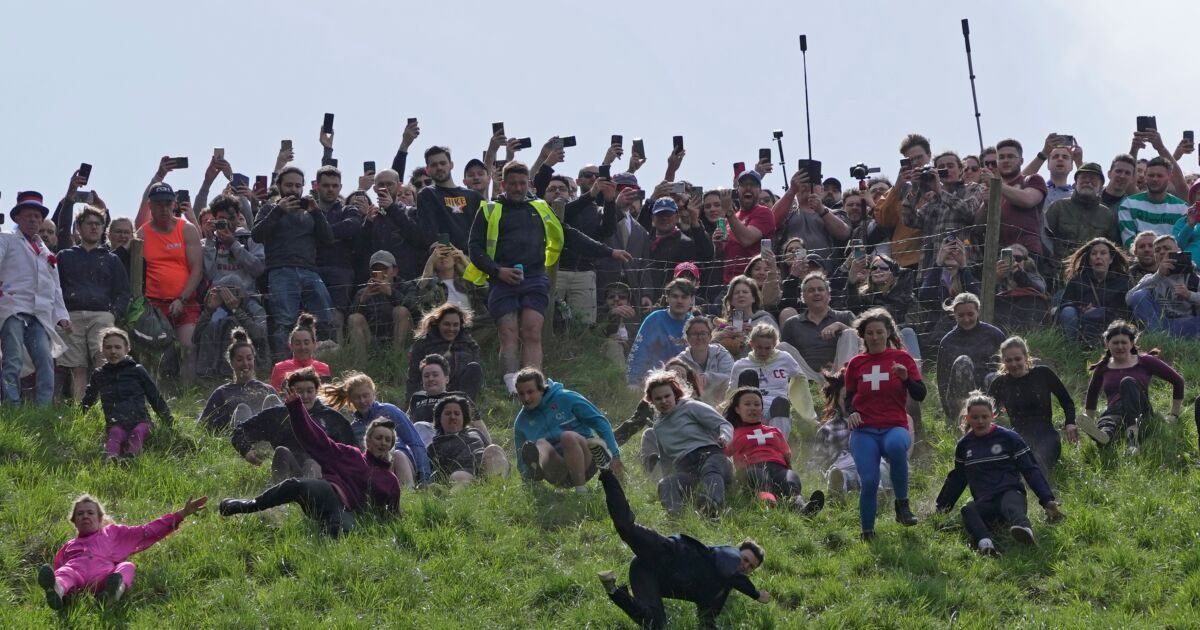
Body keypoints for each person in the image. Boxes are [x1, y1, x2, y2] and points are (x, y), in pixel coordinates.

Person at [465, 161, 629, 395]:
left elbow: (569, 234)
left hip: (534, 278)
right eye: (513, 183)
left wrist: (608, 251)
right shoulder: (489, 209)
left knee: (532, 331)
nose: (518, 188)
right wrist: (497, 271)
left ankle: (534, 384)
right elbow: (475, 247)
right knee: (508, 332)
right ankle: (511, 385)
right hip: (502, 279)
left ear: (528, 184)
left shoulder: (540, 207)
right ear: (503, 184)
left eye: (522, 183)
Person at [595, 466, 770, 629]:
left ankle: (614, 590)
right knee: (626, 528)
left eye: (750, 566)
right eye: (745, 559)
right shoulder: (728, 555)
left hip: (647, 574)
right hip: (664, 552)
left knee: (655, 624)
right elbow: (731, 572)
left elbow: (707, 618)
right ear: (737, 551)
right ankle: (607, 471)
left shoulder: (719, 591)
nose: (745, 566)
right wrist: (755, 593)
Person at [220, 393, 401, 537]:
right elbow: (316, 440)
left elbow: (391, 516)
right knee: (294, 485)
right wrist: (297, 410)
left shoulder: (390, 481)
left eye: (387, 440)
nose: (382, 442)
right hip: (328, 493)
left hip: (349, 513)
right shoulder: (350, 455)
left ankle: (320, 542)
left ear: (391, 445)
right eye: (378, 437)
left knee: (339, 530)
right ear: (368, 440)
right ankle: (249, 505)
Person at [934, 392, 1064, 555]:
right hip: (986, 502)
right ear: (967, 418)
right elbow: (957, 479)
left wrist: (1047, 500)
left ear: (992, 416)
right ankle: (985, 545)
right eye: (975, 417)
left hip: (1010, 494)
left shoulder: (1009, 438)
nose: (980, 421)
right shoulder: (964, 445)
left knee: (1010, 504)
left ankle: (1025, 533)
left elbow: (1030, 469)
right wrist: (941, 508)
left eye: (984, 416)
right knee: (968, 510)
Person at [38, 495, 207, 610]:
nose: (85, 516)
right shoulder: (69, 546)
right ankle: (58, 592)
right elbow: (58, 568)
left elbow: (147, 530)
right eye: (80, 514)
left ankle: (114, 592)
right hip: (78, 579)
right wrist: (60, 584)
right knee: (65, 572)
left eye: (90, 513)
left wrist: (181, 514)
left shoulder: (112, 533)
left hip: (104, 578)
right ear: (74, 521)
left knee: (127, 566)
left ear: (100, 518)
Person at [843, 308, 925, 540]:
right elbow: (849, 398)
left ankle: (902, 505)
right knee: (869, 481)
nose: (875, 337)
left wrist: (906, 378)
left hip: (893, 425)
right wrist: (851, 412)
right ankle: (867, 531)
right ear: (863, 336)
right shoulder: (856, 364)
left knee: (897, 446)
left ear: (888, 332)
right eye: (870, 333)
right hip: (864, 430)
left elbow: (920, 394)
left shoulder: (902, 359)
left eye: (880, 332)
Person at [251, 166, 336, 361]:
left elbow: (328, 239)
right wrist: (278, 211)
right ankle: (284, 365)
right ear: (279, 186)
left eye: (298, 185)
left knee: (325, 316)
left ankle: (327, 361)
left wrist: (316, 213)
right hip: (281, 271)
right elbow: (256, 235)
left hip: (309, 270)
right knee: (285, 321)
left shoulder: (310, 210)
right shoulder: (269, 208)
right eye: (289, 185)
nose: (293, 189)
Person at [0, 191, 72, 404]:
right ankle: (11, 404)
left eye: (37, 216)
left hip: (39, 313)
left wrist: (62, 315)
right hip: (13, 307)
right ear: (17, 218)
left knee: (45, 360)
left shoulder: (46, 251)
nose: (33, 220)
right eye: (29, 215)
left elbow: (55, 288)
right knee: (12, 359)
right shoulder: (7, 239)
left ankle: (44, 409)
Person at [56, 206, 130, 401]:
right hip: (71, 316)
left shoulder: (112, 259)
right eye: (89, 223)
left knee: (103, 360)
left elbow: (123, 292)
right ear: (79, 227)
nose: (94, 227)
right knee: (76, 366)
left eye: (98, 224)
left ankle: (105, 404)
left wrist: (114, 314)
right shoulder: (64, 256)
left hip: (102, 315)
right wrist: (60, 315)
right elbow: (55, 288)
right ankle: (82, 410)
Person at [232, 367, 356, 482]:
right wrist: (246, 451)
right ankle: (279, 499)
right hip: (289, 472)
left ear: (316, 391)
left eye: (310, 391)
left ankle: (309, 498)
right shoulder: (278, 415)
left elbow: (352, 453)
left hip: (322, 477)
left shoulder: (332, 418)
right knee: (281, 451)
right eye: (299, 391)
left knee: (311, 463)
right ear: (290, 391)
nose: (305, 396)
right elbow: (240, 431)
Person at [1077, 321, 1184, 453]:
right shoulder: (1102, 367)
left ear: (1131, 343)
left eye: (1124, 342)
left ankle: (1132, 440)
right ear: (1107, 343)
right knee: (1110, 416)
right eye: (1115, 343)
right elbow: (1092, 395)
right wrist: (1089, 420)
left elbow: (1178, 381)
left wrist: (1174, 415)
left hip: (1142, 412)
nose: (1120, 346)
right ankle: (1103, 435)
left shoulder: (1145, 361)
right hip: (1115, 412)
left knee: (1127, 383)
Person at [642, 370, 735, 517]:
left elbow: (724, 425)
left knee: (710, 470)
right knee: (666, 484)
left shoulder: (691, 407)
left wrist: (724, 437)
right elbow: (666, 459)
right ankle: (677, 518)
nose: (664, 401)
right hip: (686, 468)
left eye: (667, 396)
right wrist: (666, 478)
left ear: (675, 394)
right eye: (658, 398)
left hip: (712, 457)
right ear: (651, 401)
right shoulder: (658, 427)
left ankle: (713, 506)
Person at [513, 368, 622, 491]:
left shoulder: (566, 398)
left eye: (530, 392)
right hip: (557, 470)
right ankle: (542, 475)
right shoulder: (521, 422)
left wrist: (615, 455)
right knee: (540, 444)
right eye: (521, 394)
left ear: (541, 389)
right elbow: (521, 459)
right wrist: (527, 483)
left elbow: (600, 422)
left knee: (567, 436)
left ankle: (581, 492)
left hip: (585, 461)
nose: (526, 398)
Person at [138, 183, 204, 382]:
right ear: (150, 205)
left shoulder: (187, 229)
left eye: (168, 204)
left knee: (189, 347)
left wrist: (181, 299)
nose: (164, 209)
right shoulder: (142, 234)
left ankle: (187, 394)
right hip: (154, 304)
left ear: (174, 204)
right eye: (158, 204)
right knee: (157, 353)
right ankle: (159, 394)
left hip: (186, 301)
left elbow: (197, 270)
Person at [722, 386, 824, 513]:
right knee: (760, 479)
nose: (752, 407)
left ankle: (803, 508)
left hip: (778, 468)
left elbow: (786, 454)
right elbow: (723, 455)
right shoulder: (733, 433)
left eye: (756, 404)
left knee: (790, 480)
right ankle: (770, 505)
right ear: (737, 409)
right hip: (751, 469)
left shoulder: (774, 431)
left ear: (762, 408)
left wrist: (789, 471)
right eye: (747, 404)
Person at [321, 371, 430, 488]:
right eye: (357, 397)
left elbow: (415, 442)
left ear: (373, 394)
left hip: (402, 467)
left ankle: (410, 494)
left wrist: (424, 477)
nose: (362, 401)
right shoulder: (354, 428)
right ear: (350, 400)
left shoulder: (390, 411)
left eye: (366, 395)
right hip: (374, 471)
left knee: (397, 455)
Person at [81, 328, 173, 463]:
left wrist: (168, 420)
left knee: (137, 432)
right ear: (102, 350)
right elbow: (89, 398)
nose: (113, 351)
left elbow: (155, 396)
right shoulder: (99, 374)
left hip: (142, 422)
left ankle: (131, 458)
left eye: (118, 347)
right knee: (115, 434)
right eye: (108, 347)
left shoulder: (137, 371)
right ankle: (111, 460)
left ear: (127, 349)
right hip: (116, 423)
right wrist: (78, 415)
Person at [987, 337, 1077, 472]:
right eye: (1008, 360)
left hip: (1046, 434)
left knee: (1038, 461)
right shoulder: (1000, 383)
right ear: (1003, 361)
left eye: (1017, 359)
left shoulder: (1043, 374)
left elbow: (1066, 401)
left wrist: (1070, 423)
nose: (1014, 364)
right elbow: (986, 413)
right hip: (1018, 435)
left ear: (1026, 357)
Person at [728, 323, 815, 439]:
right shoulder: (740, 365)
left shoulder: (785, 358)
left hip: (777, 410)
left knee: (781, 402)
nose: (763, 352)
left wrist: (805, 410)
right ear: (751, 344)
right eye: (759, 347)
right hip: (751, 409)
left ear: (774, 345)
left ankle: (778, 447)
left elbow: (800, 378)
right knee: (748, 375)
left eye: (768, 348)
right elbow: (732, 393)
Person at [901, 150, 985, 269]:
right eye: (941, 167)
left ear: (961, 170)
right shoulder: (934, 199)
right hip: (935, 268)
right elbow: (909, 220)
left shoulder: (973, 188)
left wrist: (940, 191)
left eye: (951, 166)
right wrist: (914, 190)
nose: (946, 170)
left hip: (965, 265)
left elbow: (969, 211)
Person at [311, 165, 363, 340]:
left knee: (336, 317)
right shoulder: (308, 211)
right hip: (312, 268)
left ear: (340, 187)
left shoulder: (348, 210)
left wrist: (320, 234)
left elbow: (352, 226)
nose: (330, 189)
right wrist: (333, 236)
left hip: (341, 270)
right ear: (317, 186)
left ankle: (338, 357)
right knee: (312, 318)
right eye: (326, 185)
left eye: (335, 185)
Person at [936, 293, 1006, 421]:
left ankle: (996, 416)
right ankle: (965, 417)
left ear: (978, 312)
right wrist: (948, 411)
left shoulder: (994, 335)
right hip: (960, 398)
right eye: (961, 315)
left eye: (970, 314)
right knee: (963, 362)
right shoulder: (947, 342)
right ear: (954, 315)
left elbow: (1006, 369)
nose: (966, 319)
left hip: (988, 392)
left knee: (994, 376)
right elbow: (943, 380)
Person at [197, 329, 278, 432]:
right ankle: (246, 445)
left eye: (249, 358)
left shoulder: (267, 389)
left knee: (272, 399)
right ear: (231, 362)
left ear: (254, 359)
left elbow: (286, 418)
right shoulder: (222, 392)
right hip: (238, 442)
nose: (245, 363)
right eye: (239, 360)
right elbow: (202, 426)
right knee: (242, 410)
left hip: (269, 439)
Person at [780, 273, 858, 376]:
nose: (816, 293)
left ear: (828, 294)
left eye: (820, 289)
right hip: (806, 376)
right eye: (811, 290)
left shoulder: (845, 316)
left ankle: (843, 382)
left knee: (850, 333)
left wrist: (840, 326)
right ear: (803, 296)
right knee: (782, 347)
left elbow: (863, 344)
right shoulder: (791, 324)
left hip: (838, 373)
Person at [844, 254, 920, 359]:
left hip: (896, 340)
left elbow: (913, 323)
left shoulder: (906, 296)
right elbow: (852, 309)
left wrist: (885, 333)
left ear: (893, 272)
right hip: (868, 341)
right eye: (874, 268)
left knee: (908, 331)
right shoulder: (863, 296)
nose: (878, 270)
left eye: (884, 267)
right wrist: (851, 281)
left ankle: (915, 372)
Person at [1058, 238, 1132, 344]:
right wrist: (1081, 307)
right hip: (1079, 321)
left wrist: (1099, 311)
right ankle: (1072, 347)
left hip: (1110, 325)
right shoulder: (1077, 280)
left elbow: (1124, 312)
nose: (1098, 257)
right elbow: (1065, 303)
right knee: (1068, 311)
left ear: (1111, 259)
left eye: (1103, 253)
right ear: (1089, 260)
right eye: (1094, 254)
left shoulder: (1123, 283)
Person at [192, 276, 268, 379]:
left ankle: (229, 374)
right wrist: (208, 311)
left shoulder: (254, 308)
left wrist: (236, 310)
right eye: (224, 292)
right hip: (217, 365)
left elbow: (260, 335)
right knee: (212, 325)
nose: (228, 296)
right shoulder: (216, 310)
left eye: (232, 291)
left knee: (231, 322)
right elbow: (195, 339)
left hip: (252, 360)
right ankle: (208, 377)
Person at [404, 303, 483, 401]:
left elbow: (474, 377)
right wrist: (410, 403)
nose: (451, 329)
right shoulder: (423, 344)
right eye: (447, 324)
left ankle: (466, 409)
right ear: (438, 324)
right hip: (431, 396)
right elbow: (413, 377)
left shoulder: (470, 345)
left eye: (455, 325)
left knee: (474, 367)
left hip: (461, 397)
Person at [426, 394, 509, 485]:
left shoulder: (476, 432)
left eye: (457, 413)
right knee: (459, 476)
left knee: (494, 448)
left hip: (486, 471)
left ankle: (496, 489)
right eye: (448, 413)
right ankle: (453, 495)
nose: (453, 417)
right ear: (439, 418)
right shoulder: (433, 446)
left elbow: (492, 455)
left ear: (463, 417)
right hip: (462, 476)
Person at [407, 353, 488, 447]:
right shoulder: (417, 398)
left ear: (446, 379)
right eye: (426, 376)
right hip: (420, 440)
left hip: (450, 440)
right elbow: (407, 421)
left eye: (435, 375)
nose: (430, 379)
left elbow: (478, 425)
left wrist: (489, 446)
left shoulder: (459, 397)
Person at [1126, 234, 1200, 336]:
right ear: (1155, 256)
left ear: (1179, 251)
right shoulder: (1151, 278)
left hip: (1190, 324)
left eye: (1167, 248)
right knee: (1139, 294)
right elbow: (1130, 298)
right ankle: (1158, 337)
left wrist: (1189, 295)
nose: (1162, 252)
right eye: (1157, 250)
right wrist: (1158, 276)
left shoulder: (1194, 278)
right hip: (1161, 326)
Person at [985, 139, 1047, 259]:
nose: (1006, 160)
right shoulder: (992, 188)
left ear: (1021, 160)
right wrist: (986, 204)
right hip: (996, 255)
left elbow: (1028, 200)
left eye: (1011, 156)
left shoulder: (1032, 180)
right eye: (1001, 157)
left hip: (1027, 253)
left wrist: (996, 185)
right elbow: (977, 224)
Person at [1044, 162, 1121, 259]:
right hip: (1056, 268)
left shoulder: (1107, 215)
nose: (1088, 181)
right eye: (1083, 177)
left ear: (1101, 186)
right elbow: (1043, 240)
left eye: (1093, 179)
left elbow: (1113, 250)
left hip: (1090, 271)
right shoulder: (1058, 207)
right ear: (1076, 183)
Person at [626, 278, 695, 386]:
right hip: (654, 380)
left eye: (684, 297)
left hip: (685, 381)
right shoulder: (654, 320)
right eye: (675, 296)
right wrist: (633, 382)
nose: (679, 301)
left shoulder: (694, 323)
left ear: (691, 300)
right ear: (667, 298)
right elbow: (639, 352)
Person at [416, 146, 484, 253]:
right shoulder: (427, 194)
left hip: (474, 261)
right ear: (427, 170)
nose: (439, 167)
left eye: (443, 163)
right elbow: (431, 235)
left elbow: (484, 233)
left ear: (451, 165)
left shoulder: (474, 197)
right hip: (446, 261)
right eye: (434, 165)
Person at [346, 250, 413, 354]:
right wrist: (362, 301)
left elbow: (416, 310)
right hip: (372, 339)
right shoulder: (363, 292)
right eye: (376, 270)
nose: (381, 273)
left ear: (395, 271)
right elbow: (349, 321)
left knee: (401, 311)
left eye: (385, 269)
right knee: (355, 318)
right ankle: (361, 366)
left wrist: (391, 293)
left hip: (401, 337)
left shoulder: (405, 286)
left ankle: (397, 358)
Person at [1117, 156, 1188, 247]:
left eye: (1159, 176)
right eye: (1151, 175)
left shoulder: (1182, 209)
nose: (1155, 179)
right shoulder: (1128, 204)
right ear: (1145, 175)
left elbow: (1181, 243)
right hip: (1137, 260)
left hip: (1171, 260)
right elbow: (1129, 243)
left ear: (1170, 178)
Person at [720, 171, 778, 282]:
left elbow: (747, 239)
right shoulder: (731, 218)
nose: (748, 188)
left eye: (753, 185)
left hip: (753, 283)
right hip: (729, 283)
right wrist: (717, 244)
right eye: (743, 184)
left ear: (760, 191)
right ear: (737, 190)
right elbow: (723, 252)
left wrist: (728, 211)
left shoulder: (763, 212)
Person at [712, 275, 780, 360]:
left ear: (754, 298)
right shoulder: (724, 325)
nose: (741, 295)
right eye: (737, 293)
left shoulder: (765, 319)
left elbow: (777, 346)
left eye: (745, 292)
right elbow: (709, 351)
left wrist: (754, 334)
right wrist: (721, 336)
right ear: (731, 300)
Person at [674, 316, 734, 405]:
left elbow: (732, 378)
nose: (699, 337)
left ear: (710, 336)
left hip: (722, 407)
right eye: (694, 334)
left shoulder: (721, 353)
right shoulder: (680, 361)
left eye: (703, 333)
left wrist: (708, 377)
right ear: (687, 337)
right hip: (692, 409)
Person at [993, 243, 1049, 330]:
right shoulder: (995, 278)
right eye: (1008, 259)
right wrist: (996, 279)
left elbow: (1039, 289)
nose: (1014, 262)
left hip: (1025, 320)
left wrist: (1017, 273)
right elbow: (985, 295)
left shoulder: (1033, 277)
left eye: (1018, 259)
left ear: (1025, 261)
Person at [269, 313, 330, 391]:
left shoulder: (323, 368)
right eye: (298, 343)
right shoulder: (279, 368)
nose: (302, 347)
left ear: (314, 344)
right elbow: (275, 398)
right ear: (291, 345)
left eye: (306, 343)